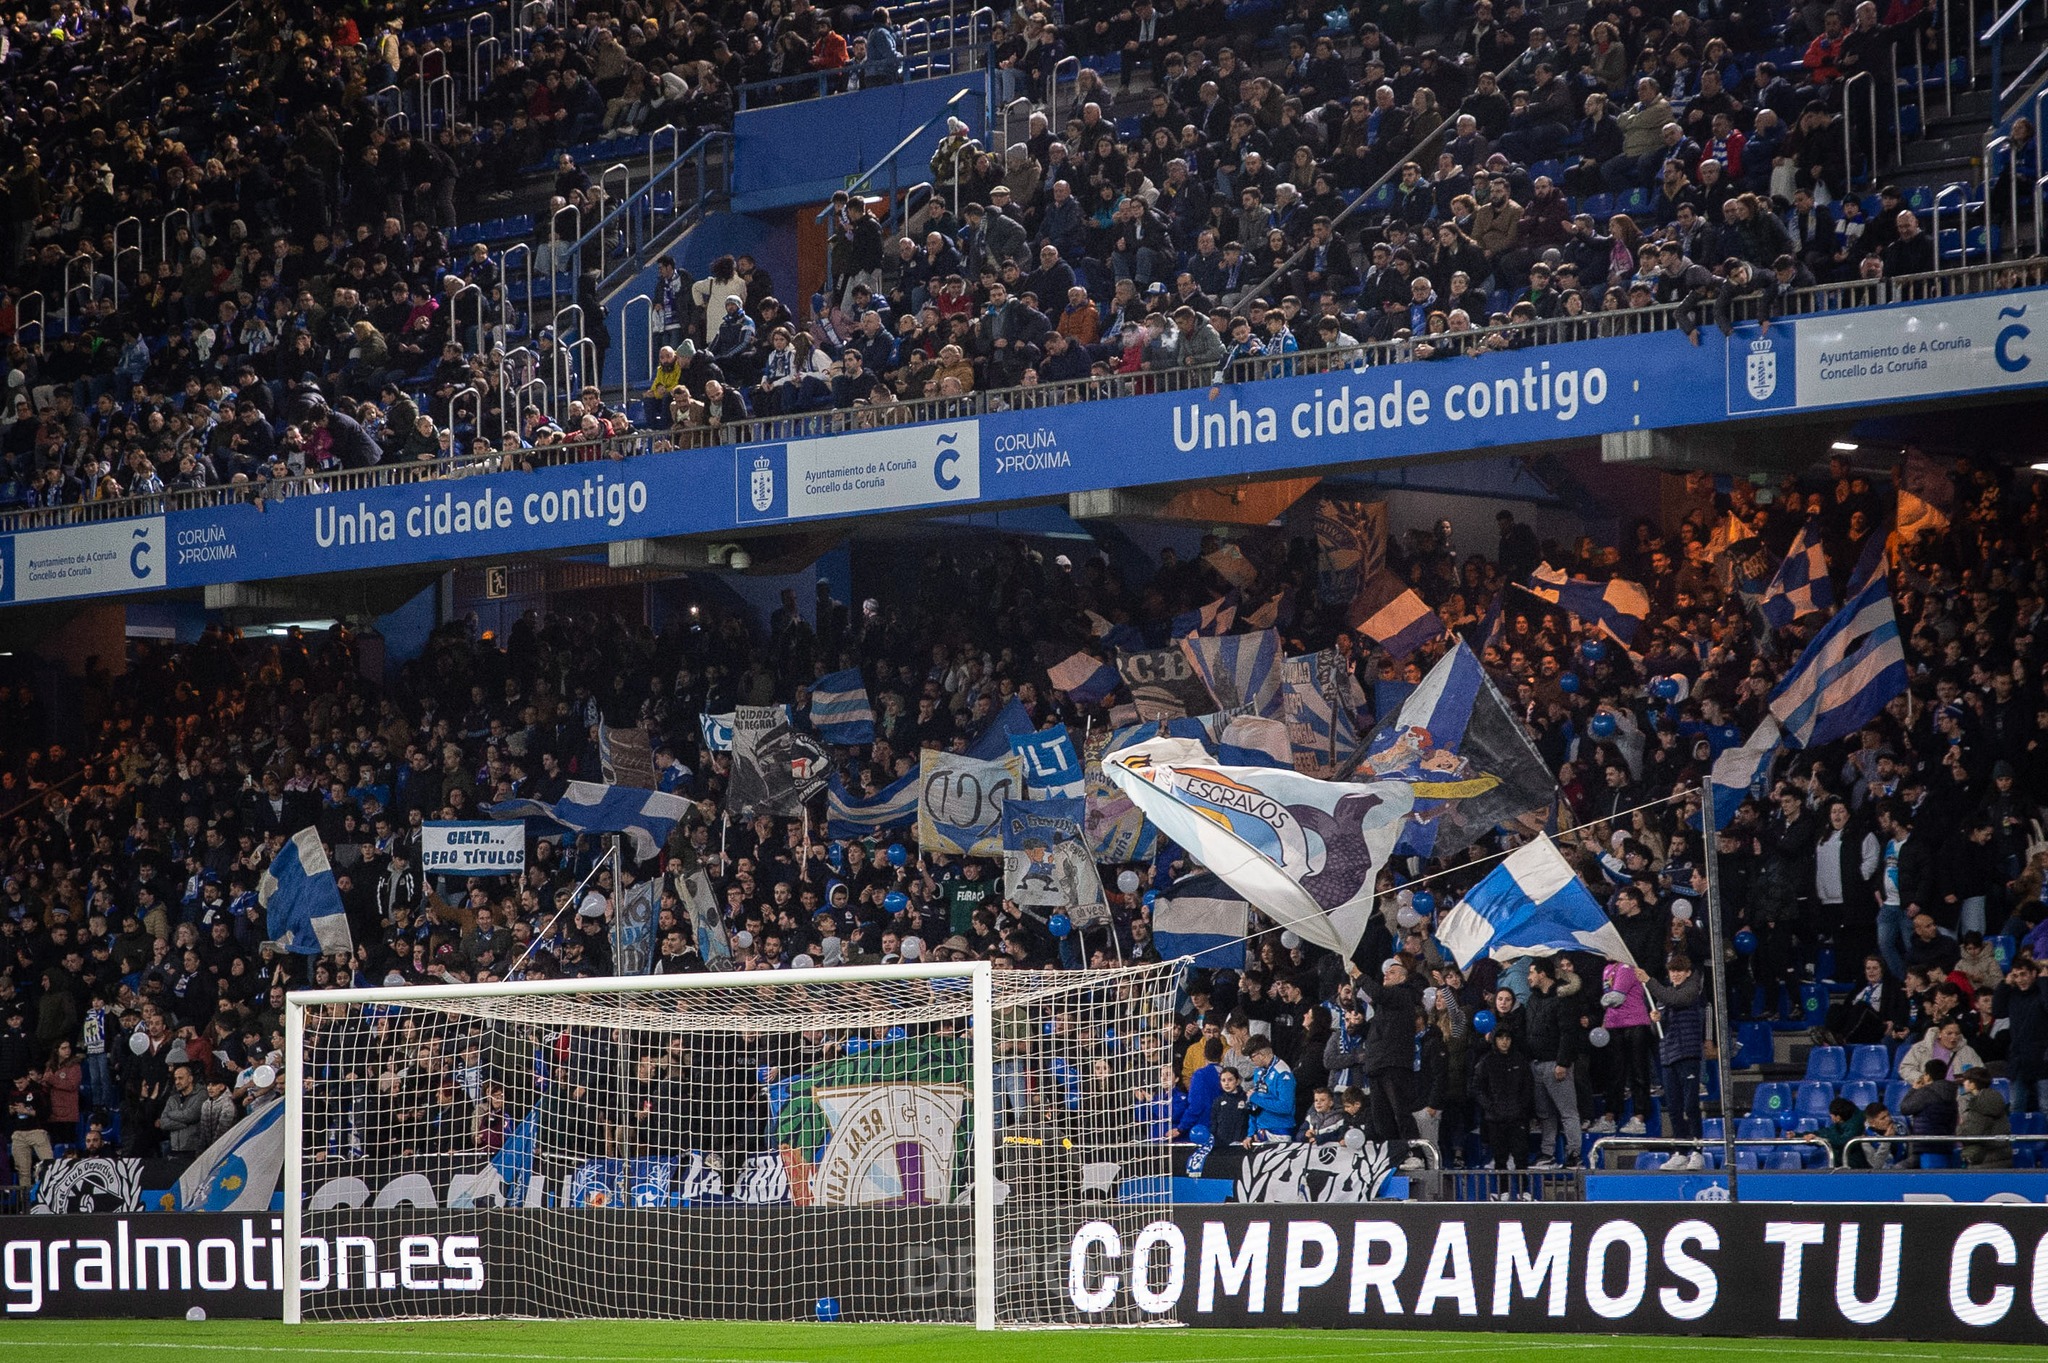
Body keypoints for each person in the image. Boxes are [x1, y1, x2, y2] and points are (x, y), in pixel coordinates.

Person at [1643, 953, 1707, 1165]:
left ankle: (1697, 1150)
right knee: (1674, 1107)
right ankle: (1680, 1151)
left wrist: (1648, 981)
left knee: (1690, 1105)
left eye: (1680, 971)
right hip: (1668, 1056)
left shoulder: (1691, 990)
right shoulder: (1664, 996)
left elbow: (1677, 1000)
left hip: (1687, 1054)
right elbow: (1658, 1031)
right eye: (1672, 971)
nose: (1676, 975)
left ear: (1688, 973)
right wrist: (1655, 1021)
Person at [1523, 957, 1585, 1168]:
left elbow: (1569, 1033)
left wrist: (1563, 1062)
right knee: (1545, 1114)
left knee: (1567, 1112)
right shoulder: (1532, 1000)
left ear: (1543, 974)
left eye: (1532, 972)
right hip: (1536, 1064)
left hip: (1556, 1064)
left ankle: (1574, 1154)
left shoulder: (1562, 998)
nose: (1529, 977)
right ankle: (1547, 1153)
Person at [1471, 1026, 1534, 1170]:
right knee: (1500, 1157)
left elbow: (1528, 1087)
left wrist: (1521, 1107)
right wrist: (1491, 1107)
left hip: (1518, 1117)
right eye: (1500, 1038)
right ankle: (1502, 1191)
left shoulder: (1520, 1060)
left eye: (1507, 1038)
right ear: (1495, 1040)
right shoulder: (1486, 1061)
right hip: (1495, 1119)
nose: (1504, 1042)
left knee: (1521, 1156)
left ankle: (1523, 1190)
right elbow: (1477, 1088)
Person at [1959, 1068, 2014, 1168]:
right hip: (1999, 1158)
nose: (1963, 1083)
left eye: (1965, 1080)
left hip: (1985, 1160)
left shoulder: (1981, 1104)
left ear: (1973, 1084)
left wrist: (1960, 1127)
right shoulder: (1991, 1099)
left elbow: (1972, 1133)